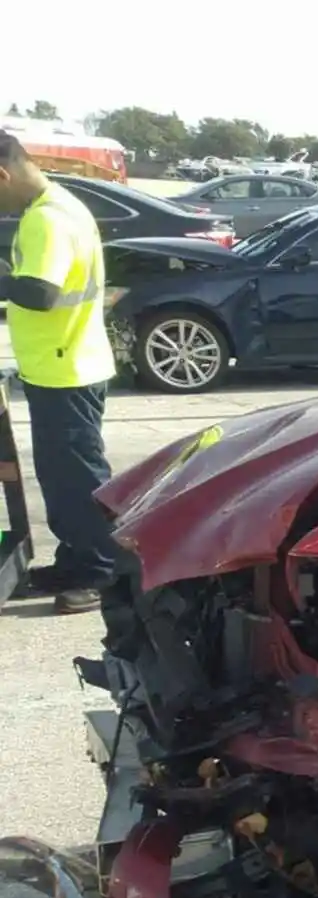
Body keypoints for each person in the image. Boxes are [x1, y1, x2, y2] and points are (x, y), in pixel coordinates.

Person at [1, 130, 119, 613]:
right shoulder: (55, 207)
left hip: (68, 368)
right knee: (60, 476)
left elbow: (42, 293)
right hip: (62, 364)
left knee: (79, 478)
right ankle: (75, 560)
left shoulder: (48, 220)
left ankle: (101, 572)